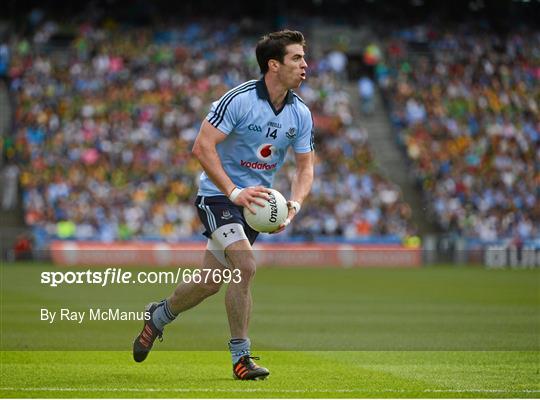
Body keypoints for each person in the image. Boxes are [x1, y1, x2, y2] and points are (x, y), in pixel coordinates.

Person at [132, 29, 315, 381]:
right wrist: (233, 192)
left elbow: (306, 167)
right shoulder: (240, 99)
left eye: (304, 58)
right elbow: (202, 147)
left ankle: (158, 316)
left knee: (209, 282)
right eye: (297, 58)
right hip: (219, 197)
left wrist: (293, 206)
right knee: (245, 266)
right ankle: (241, 358)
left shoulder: (300, 114)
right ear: (273, 65)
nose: (305, 65)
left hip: (254, 206)